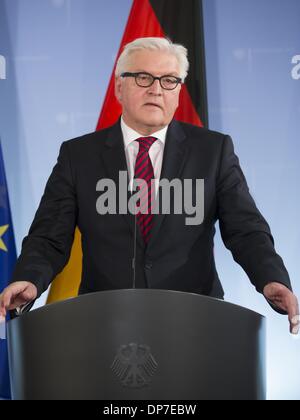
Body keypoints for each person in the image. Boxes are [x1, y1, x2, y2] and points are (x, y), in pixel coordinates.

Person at [0, 37, 299, 334]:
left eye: (169, 80)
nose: (156, 89)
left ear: (179, 91)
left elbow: (246, 231)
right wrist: (29, 279)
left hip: (193, 324)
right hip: (104, 325)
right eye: (143, 77)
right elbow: (49, 236)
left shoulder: (213, 151)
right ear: (119, 86)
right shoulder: (78, 155)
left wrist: (271, 278)